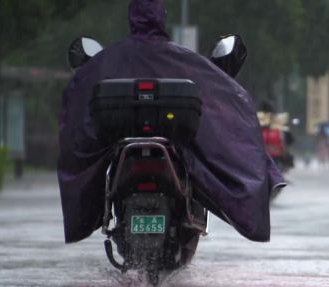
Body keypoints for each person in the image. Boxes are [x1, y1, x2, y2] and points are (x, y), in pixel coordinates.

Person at [57, 0, 284, 244]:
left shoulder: (105, 62)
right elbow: (224, 94)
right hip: (158, 156)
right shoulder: (184, 60)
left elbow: (77, 99)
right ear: (161, 17)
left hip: (131, 154)